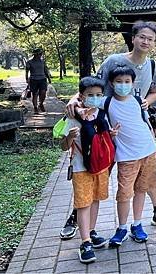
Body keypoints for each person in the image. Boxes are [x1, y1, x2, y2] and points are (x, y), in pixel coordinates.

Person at [59, 20, 156, 241]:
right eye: (141, 37)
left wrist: (145, 102)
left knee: (147, 175)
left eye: (150, 39)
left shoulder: (152, 65)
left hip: (135, 125)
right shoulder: (113, 61)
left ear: (154, 43)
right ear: (133, 38)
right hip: (103, 125)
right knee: (92, 171)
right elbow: (91, 85)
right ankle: (77, 216)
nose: (145, 41)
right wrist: (74, 99)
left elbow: (154, 91)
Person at [60, 76, 119, 264]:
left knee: (95, 200)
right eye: (90, 95)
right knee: (83, 203)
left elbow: (102, 137)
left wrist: (111, 134)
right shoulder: (73, 118)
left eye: (98, 95)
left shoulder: (102, 115)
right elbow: (63, 146)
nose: (95, 98)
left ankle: (91, 232)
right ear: (81, 97)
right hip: (80, 168)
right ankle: (84, 242)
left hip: (100, 166)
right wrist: (69, 137)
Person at [105, 66, 156, 247]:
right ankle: (121, 228)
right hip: (126, 157)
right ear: (111, 84)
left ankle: (137, 224)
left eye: (127, 82)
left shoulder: (138, 101)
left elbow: (147, 124)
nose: (123, 85)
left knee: (141, 189)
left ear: (132, 83)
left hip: (148, 151)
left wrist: (155, 147)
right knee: (123, 194)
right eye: (119, 82)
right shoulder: (106, 103)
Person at [25, 48, 52, 113]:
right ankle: (35, 107)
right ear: (35, 54)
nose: (41, 55)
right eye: (40, 54)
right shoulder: (29, 62)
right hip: (33, 79)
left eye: (41, 54)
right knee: (35, 94)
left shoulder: (42, 61)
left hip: (42, 79)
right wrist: (26, 79)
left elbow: (45, 70)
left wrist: (49, 78)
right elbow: (26, 71)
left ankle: (40, 104)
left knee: (43, 93)